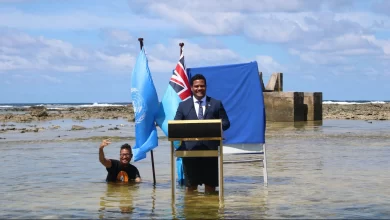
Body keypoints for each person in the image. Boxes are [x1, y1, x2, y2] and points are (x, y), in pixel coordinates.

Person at [174, 74, 230, 193]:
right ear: (191, 87)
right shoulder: (183, 105)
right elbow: (176, 125)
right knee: (191, 188)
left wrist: (213, 127)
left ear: (206, 87)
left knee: (210, 187)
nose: (199, 88)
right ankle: (191, 211)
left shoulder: (216, 103)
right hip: (189, 151)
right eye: (197, 86)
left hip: (210, 151)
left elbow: (226, 123)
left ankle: (209, 211)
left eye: (202, 86)